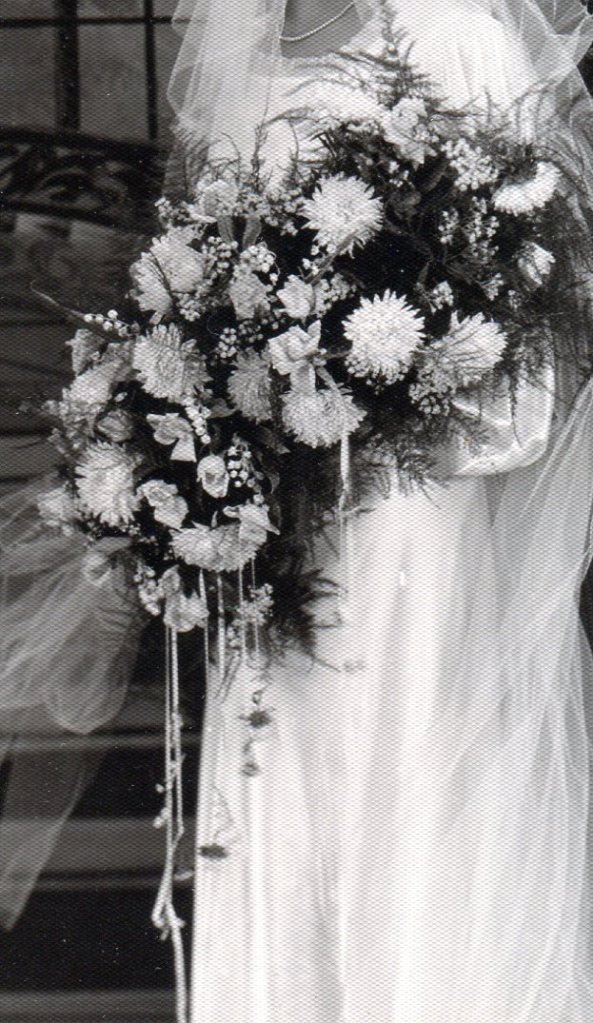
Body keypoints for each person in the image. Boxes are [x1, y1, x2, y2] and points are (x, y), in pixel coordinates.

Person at [164, 1, 593, 1021]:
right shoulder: (235, 65)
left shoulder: (446, 37)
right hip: (269, 522)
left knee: (397, 776)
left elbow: (540, 310)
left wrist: (378, 397)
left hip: (403, 510)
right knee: (283, 785)